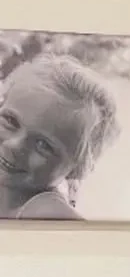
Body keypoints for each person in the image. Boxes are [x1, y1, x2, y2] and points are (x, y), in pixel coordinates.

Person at [0, 53, 119, 221]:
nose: (14, 145)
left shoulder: (46, 211)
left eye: (43, 145)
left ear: (77, 169)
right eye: (11, 121)